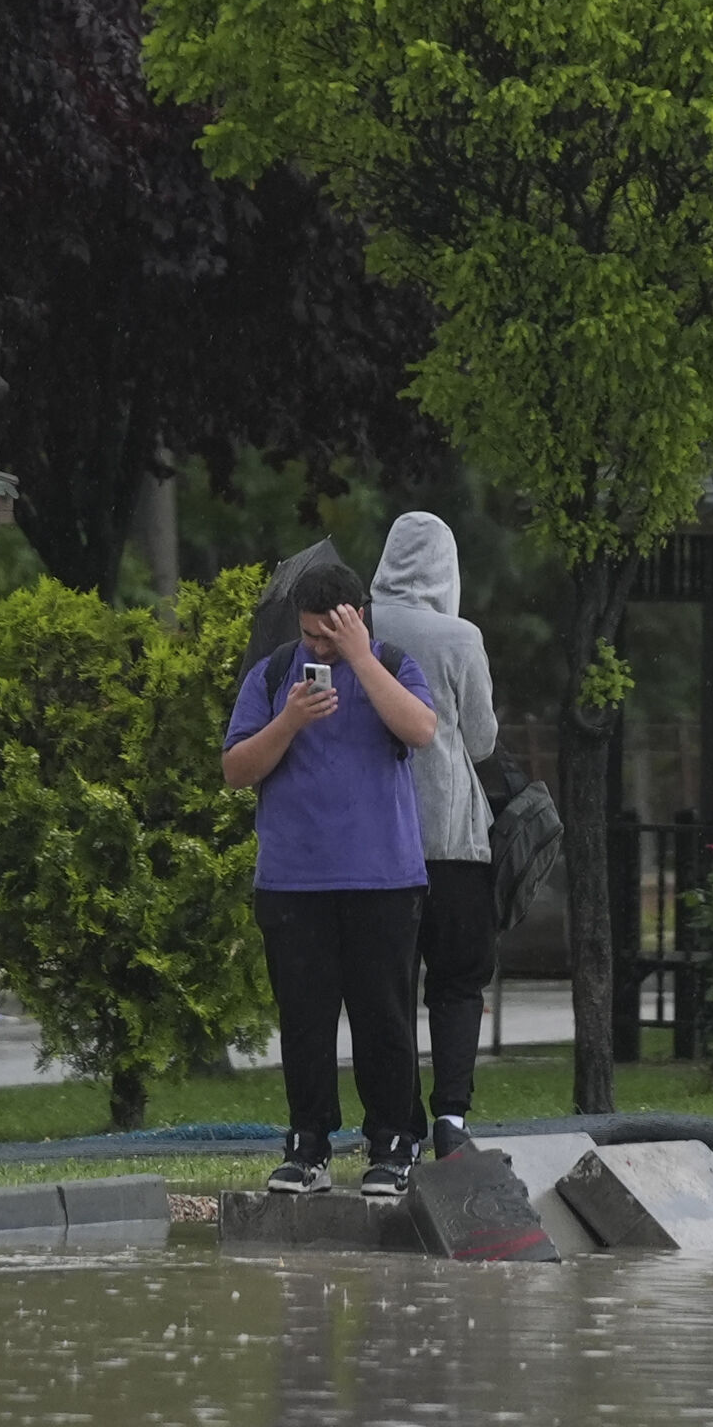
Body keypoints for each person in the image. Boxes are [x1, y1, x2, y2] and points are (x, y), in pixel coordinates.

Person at [221, 557, 439, 1200]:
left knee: (384, 1017)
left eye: (329, 634)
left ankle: (393, 1142)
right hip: (293, 881)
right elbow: (236, 769)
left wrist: (361, 659)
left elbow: (422, 730)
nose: (318, 646)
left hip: (383, 879)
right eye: (311, 633)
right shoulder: (273, 675)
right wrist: (289, 720)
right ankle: (308, 1144)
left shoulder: (394, 665)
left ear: (357, 617)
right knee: (306, 1020)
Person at [368, 512, 499, 1160]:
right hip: (451, 840)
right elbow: (481, 739)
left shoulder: (355, 629)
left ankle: (397, 1128)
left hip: (375, 845)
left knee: (387, 990)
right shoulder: (459, 637)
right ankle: (451, 1120)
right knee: (457, 982)